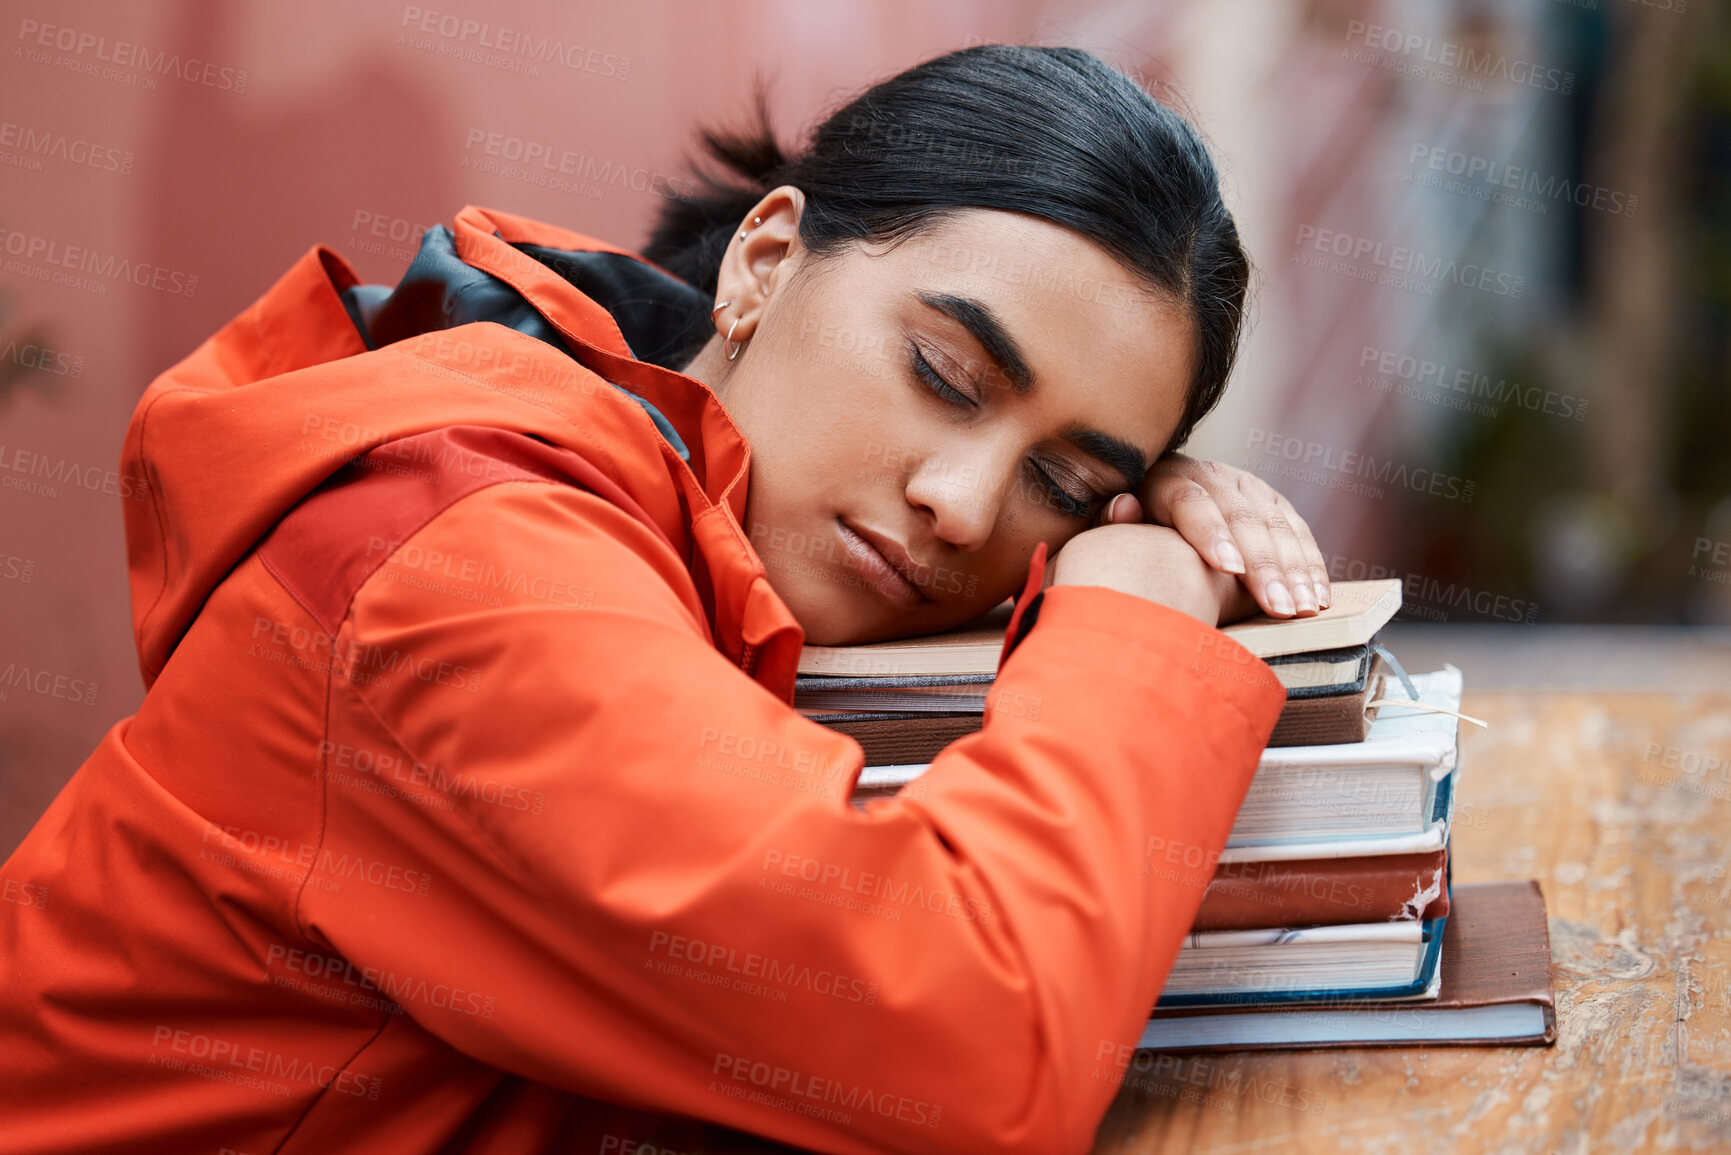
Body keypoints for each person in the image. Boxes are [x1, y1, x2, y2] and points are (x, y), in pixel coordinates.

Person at [0, 44, 1326, 1155]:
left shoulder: (639, 429)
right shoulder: (463, 568)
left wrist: (1129, 522)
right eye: (945, 372)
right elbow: (972, 1041)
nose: (967, 509)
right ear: (761, 262)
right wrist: (1137, 619)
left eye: (1058, 474)